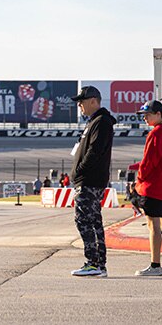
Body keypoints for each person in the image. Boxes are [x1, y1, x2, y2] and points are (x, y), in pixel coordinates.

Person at [69, 85, 116, 277]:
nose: (79, 105)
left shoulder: (101, 122)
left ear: (93, 101)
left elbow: (95, 150)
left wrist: (80, 172)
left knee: (84, 220)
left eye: (82, 102)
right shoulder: (94, 122)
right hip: (88, 179)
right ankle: (98, 264)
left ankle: (93, 263)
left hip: (89, 180)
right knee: (93, 221)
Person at [133, 100, 162, 276]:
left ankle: (155, 265)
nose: (144, 117)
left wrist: (139, 179)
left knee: (153, 225)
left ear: (159, 114)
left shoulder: (156, 134)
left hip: (154, 187)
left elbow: (148, 163)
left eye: (148, 114)